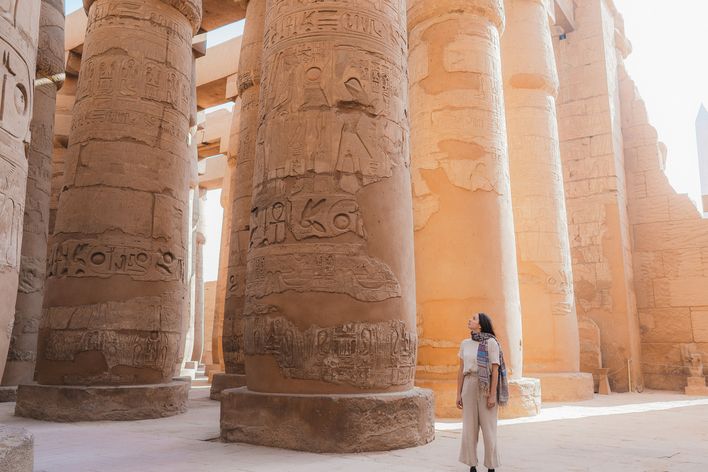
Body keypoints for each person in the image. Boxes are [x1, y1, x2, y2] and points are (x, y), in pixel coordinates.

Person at [456, 312, 509, 471]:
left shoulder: (491, 342)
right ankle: (472, 464)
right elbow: (460, 370)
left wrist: (493, 395)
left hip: (485, 387)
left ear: (480, 324)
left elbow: (495, 368)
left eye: (473, 318)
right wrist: (458, 393)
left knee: (489, 429)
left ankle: (491, 466)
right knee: (469, 429)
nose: (469, 320)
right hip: (469, 385)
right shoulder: (465, 343)